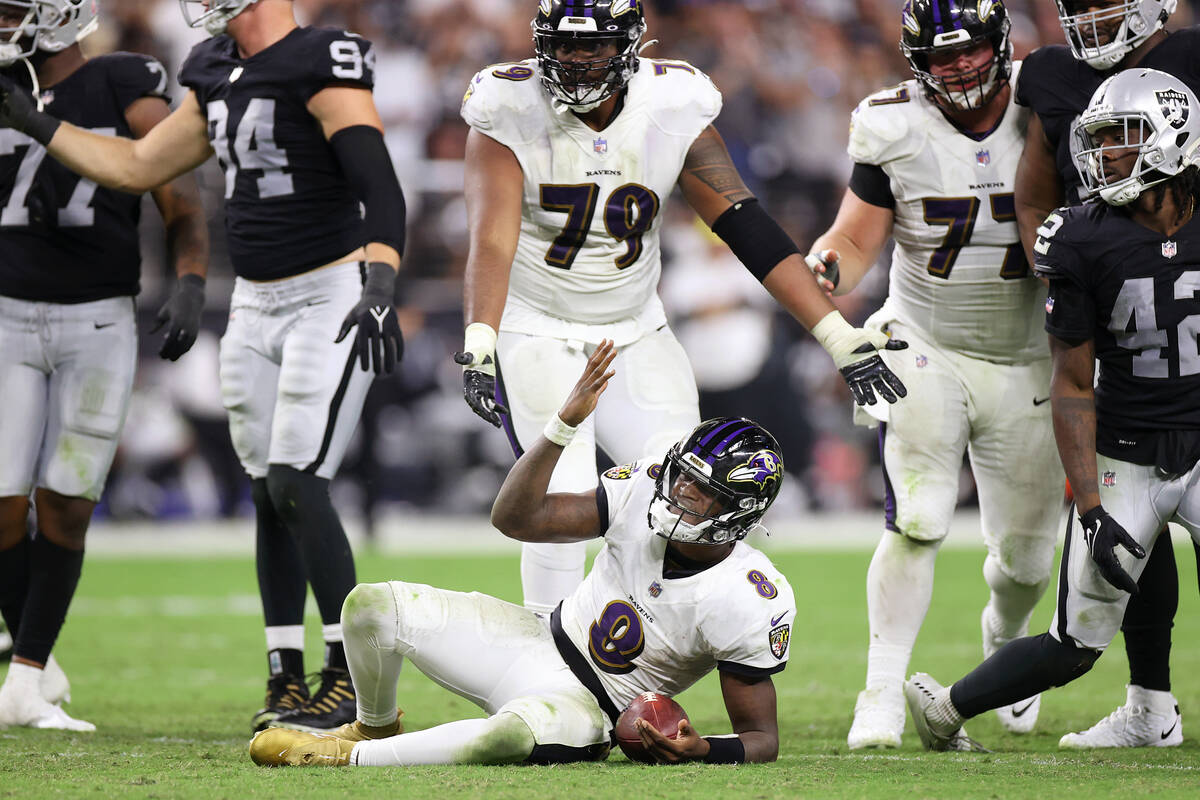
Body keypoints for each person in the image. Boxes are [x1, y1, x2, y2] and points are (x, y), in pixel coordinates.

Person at [0, 0, 409, 732]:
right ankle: (285, 676)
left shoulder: (322, 56)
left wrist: (382, 278)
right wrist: (36, 121)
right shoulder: (214, 66)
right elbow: (135, 165)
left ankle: (351, 678)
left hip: (329, 288)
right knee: (264, 490)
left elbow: (376, 177)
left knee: (296, 480)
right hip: (253, 299)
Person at [456, 0, 907, 618]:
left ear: (632, 45)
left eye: (595, 46)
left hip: (634, 331)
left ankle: (645, 654)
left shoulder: (672, 104)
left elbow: (746, 225)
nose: (579, 61)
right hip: (537, 327)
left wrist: (837, 335)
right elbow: (492, 239)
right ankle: (550, 667)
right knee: (559, 494)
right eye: (565, 45)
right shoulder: (507, 107)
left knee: (686, 493)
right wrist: (481, 339)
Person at [249, 341, 795, 767]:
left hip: (591, 708)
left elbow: (761, 739)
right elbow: (515, 518)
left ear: (740, 511)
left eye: (701, 492)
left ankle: (350, 758)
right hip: (533, 639)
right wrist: (564, 424)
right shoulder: (643, 489)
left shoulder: (747, 595)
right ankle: (373, 725)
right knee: (369, 606)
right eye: (681, 477)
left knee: (507, 736)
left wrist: (703, 751)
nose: (678, 493)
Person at [906, 67, 1200, 753]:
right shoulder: (1081, 237)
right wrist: (1092, 510)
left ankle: (1150, 712)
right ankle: (946, 709)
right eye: (1098, 140)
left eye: (1122, 139)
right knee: (1076, 643)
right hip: (1126, 451)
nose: (1103, 157)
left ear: (1173, 134)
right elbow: (1071, 382)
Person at [802, 0, 1063, 749]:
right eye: (940, 57)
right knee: (916, 516)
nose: (956, 69)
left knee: (1024, 561)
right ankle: (880, 692)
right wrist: (831, 264)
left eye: (969, 52)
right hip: (927, 340)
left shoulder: (1052, 104)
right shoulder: (894, 123)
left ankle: (1003, 648)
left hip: (1031, 352)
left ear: (998, 44)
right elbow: (856, 236)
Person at [0, 0, 209, 731]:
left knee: (65, 501)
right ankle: (36, 658)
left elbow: (175, 186)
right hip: (5, 315)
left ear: (56, 15)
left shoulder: (123, 78)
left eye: (10, 10)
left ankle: (25, 674)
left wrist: (189, 277)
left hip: (95, 318)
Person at [1013, 0, 1200, 748]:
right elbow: (1034, 194)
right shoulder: (1054, 76)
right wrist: (1070, 273)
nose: (1092, 15)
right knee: (1133, 512)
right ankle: (1150, 706)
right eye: (1080, 4)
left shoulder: (1190, 55)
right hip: (1119, 330)